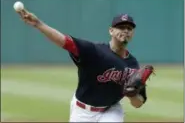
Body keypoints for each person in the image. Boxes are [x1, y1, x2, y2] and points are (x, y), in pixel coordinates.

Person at [16, 8, 153, 122]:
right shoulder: (94, 51)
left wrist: (132, 95)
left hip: (111, 110)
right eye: (121, 27)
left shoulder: (133, 65)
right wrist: (38, 24)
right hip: (82, 111)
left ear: (133, 33)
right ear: (111, 31)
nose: (125, 30)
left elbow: (138, 103)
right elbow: (64, 41)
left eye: (129, 28)